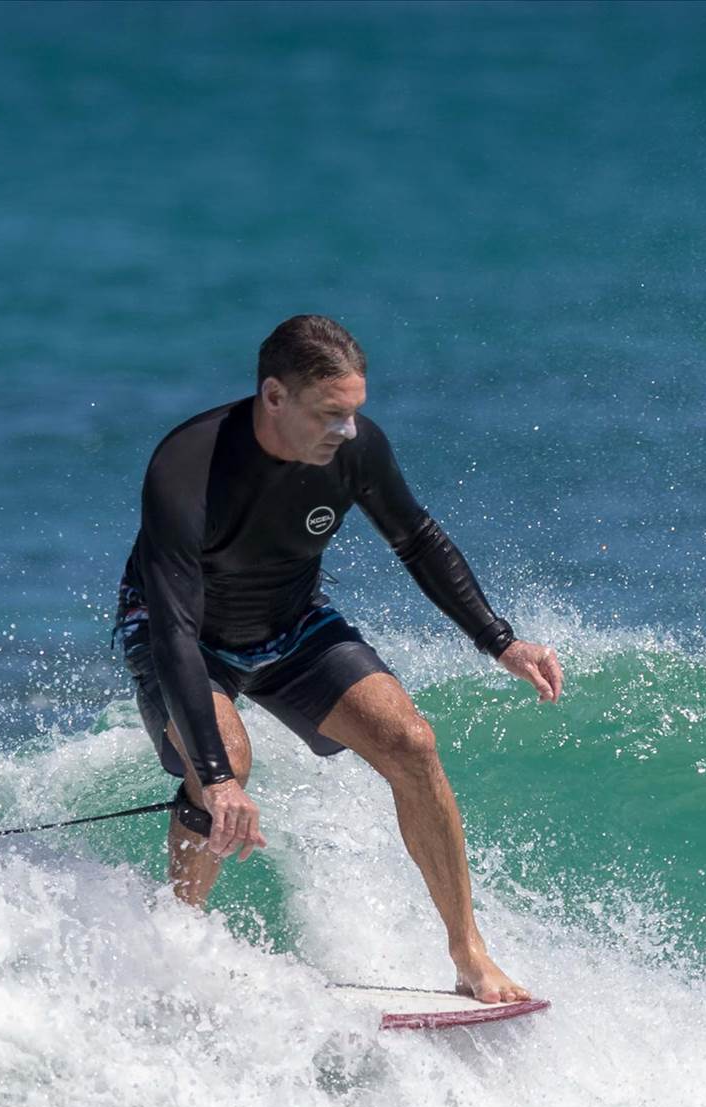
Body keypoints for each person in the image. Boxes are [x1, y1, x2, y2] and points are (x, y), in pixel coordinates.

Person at [114, 314, 563, 1003]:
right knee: (226, 761)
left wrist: (500, 639)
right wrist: (215, 777)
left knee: (412, 741)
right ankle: (176, 944)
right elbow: (173, 629)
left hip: (292, 625)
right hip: (184, 635)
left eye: (355, 412)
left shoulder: (354, 450)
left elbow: (416, 538)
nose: (348, 430)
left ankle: (469, 951)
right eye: (330, 413)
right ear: (274, 397)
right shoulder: (187, 465)